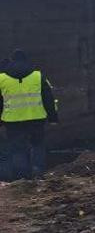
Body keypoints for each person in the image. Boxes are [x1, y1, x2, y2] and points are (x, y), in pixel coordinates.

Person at [0, 49, 58, 181]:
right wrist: (53, 118)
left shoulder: (2, 79)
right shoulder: (38, 76)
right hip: (36, 119)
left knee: (17, 149)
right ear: (26, 60)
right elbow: (48, 98)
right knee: (37, 145)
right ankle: (38, 172)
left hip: (13, 121)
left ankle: (22, 177)